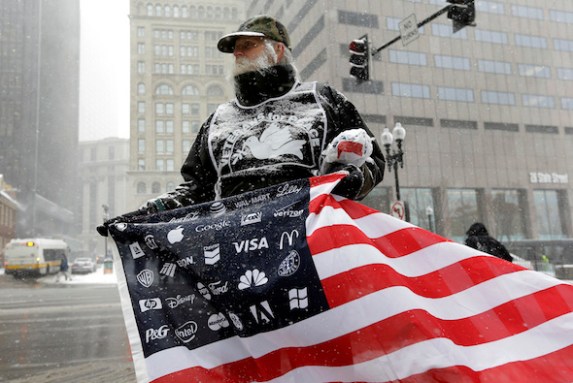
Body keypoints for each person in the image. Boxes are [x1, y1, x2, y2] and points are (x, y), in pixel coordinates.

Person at [98, 15, 385, 234]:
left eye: (248, 45)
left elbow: (371, 157)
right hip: (239, 261)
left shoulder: (322, 100)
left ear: (278, 50)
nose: (238, 53)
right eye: (236, 48)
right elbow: (196, 190)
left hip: (314, 250)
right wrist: (144, 217)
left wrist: (353, 178)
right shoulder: (218, 121)